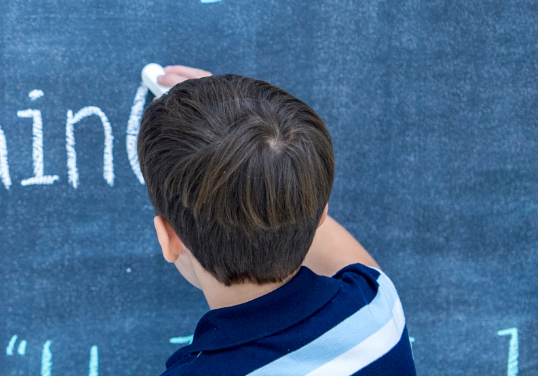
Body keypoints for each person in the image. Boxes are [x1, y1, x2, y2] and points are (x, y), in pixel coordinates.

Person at [140, 66, 415, 376]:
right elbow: (354, 260)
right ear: (322, 212)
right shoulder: (376, 309)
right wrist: (246, 134)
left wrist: (231, 139)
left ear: (170, 240)